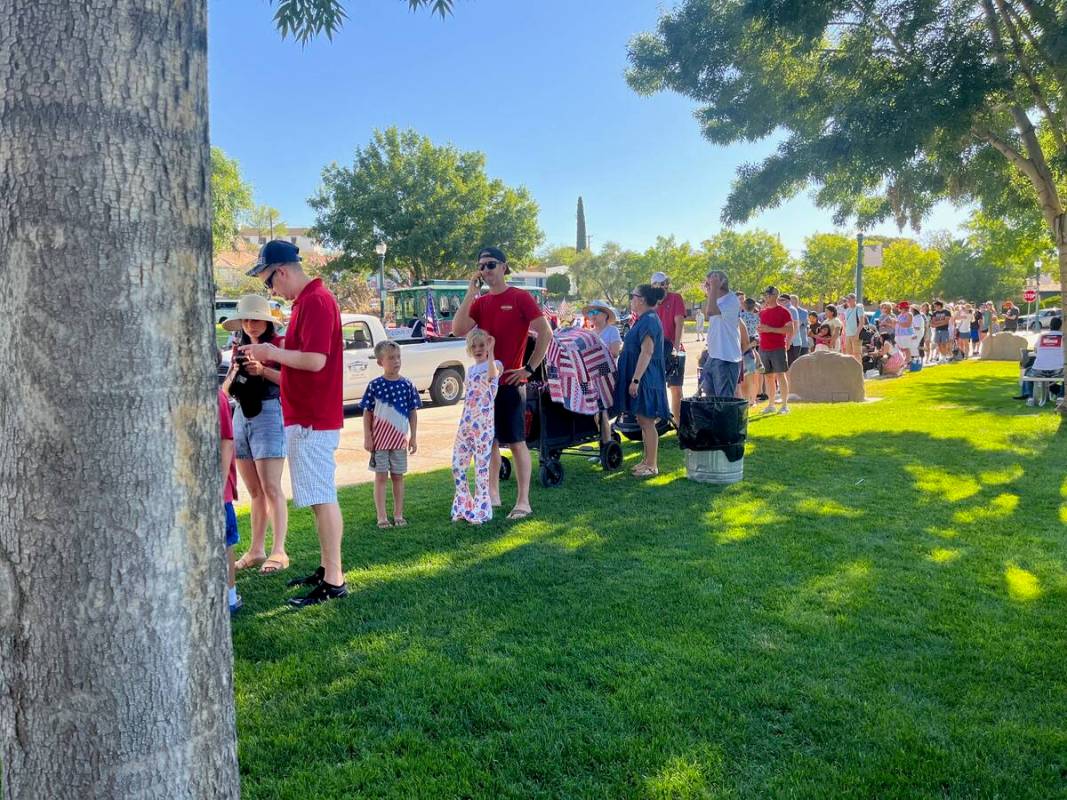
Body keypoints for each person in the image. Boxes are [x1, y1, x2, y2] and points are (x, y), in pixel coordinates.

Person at [242, 239, 347, 607]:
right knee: (317, 497)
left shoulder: (317, 301)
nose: (271, 290)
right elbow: (304, 364)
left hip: (314, 418)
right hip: (305, 415)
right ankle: (326, 568)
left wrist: (272, 353)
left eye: (269, 281)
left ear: (282, 271)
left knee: (322, 496)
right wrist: (271, 363)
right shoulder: (306, 302)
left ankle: (334, 579)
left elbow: (316, 360)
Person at [453, 246, 552, 521]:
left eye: (491, 264)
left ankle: (523, 501)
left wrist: (529, 369)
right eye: (481, 266)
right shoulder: (481, 303)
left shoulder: (520, 297)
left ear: (504, 267)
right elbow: (458, 329)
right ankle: (491, 495)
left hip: (509, 383)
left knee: (517, 442)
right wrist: (470, 293)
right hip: (484, 387)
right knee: (490, 442)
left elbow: (545, 332)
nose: (486, 270)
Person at [220, 295, 289, 576]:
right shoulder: (237, 347)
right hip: (242, 414)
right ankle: (257, 549)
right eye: (246, 319)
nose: (251, 324)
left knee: (272, 487)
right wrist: (237, 372)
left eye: (255, 319)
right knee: (254, 490)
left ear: (267, 321)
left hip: (270, 413)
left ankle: (279, 550)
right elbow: (225, 390)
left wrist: (263, 370)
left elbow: (291, 384)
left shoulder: (279, 347)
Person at [360, 341, 421, 528]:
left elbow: (412, 412)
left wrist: (413, 436)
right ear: (380, 362)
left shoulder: (407, 385)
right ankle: (382, 516)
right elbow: (367, 412)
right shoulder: (375, 386)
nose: (396, 361)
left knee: (398, 476)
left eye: (398, 357)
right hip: (379, 442)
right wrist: (368, 437)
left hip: (399, 441)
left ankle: (398, 514)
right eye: (391, 358)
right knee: (380, 478)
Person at [615, 285, 670, 477]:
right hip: (641, 376)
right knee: (641, 419)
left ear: (642, 300)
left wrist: (636, 380)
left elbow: (647, 352)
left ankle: (652, 465)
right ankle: (646, 461)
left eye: (633, 296)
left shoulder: (650, 320)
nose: (631, 299)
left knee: (647, 421)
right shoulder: (643, 319)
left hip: (646, 378)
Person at [451, 331, 502, 523]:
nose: (478, 350)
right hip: (466, 422)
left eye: (482, 345)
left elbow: (492, 378)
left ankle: (481, 510)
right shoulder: (470, 370)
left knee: (481, 468)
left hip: (483, 424)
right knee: (458, 465)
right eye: (474, 346)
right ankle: (463, 506)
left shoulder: (495, 365)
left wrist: (492, 350)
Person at [218, 381, 242, 616]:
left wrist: (220, 482)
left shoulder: (217, 397)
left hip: (220, 492)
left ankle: (231, 596)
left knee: (226, 542)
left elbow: (227, 440)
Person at [651, 271, 686, 423]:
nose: (663, 289)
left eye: (665, 285)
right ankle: (659, 420)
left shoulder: (675, 298)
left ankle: (679, 423)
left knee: (675, 387)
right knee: (656, 386)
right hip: (655, 351)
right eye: (659, 286)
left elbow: (679, 323)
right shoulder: (651, 303)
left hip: (672, 347)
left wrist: (676, 348)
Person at [701, 270, 741, 397]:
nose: (706, 288)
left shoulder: (731, 300)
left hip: (726, 358)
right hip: (714, 356)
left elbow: (711, 311)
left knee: (724, 402)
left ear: (719, 284)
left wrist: (713, 288)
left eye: (708, 284)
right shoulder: (717, 300)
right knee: (710, 400)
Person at [757, 286, 794, 414]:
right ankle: (771, 405)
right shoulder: (762, 312)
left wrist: (770, 329)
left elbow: (790, 330)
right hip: (764, 348)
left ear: (774, 295)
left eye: (767, 295)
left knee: (780, 375)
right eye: (765, 295)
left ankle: (784, 406)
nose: (765, 297)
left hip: (778, 347)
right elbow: (761, 328)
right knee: (768, 377)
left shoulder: (784, 312)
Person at [1020, 317, 1063, 405]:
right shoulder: (1063, 336)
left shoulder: (1042, 336)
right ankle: (1061, 396)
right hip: (1058, 370)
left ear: (1050, 326)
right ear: (1061, 326)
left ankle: (1030, 398)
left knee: (1028, 371)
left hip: (1039, 370)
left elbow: (1035, 350)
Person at [782, 294, 808, 366]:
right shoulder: (786, 310)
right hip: (788, 341)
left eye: (794, 301)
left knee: (796, 364)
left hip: (798, 341)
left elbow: (796, 326)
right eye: (792, 300)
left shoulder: (802, 312)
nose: (793, 302)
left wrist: (789, 340)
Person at [842, 294, 864, 361]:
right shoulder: (847, 310)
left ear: (854, 300)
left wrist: (857, 334)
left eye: (850, 299)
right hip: (848, 334)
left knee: (857, 354)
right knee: (849, 355)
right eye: (847, 299)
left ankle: (859, 370)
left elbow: (862, 322)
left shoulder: (859, 308)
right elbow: (845, 322)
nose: (848, 301)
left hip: (855, 334)